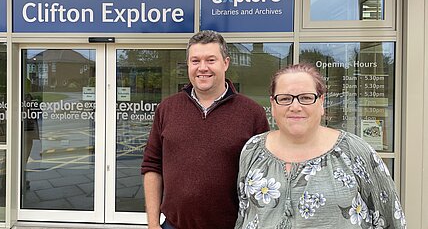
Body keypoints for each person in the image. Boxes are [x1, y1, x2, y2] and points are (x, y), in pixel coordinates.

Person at [235, 63, 407, 229]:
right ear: (273, 104)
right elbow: (244, 215)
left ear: (321, 102)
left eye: (306, 98)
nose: (295, 107)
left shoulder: (353, 151)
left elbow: (391, 218)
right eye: (285, 99)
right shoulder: (253, 149)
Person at [141, 30, 270, 229]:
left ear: (225, 63)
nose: (203, 68)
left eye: (211, 60)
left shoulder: (252, 113)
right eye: (195, 61)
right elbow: (152, 166)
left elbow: (265, 176)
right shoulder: (167, 108)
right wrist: (152, 223)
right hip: (173, 226)